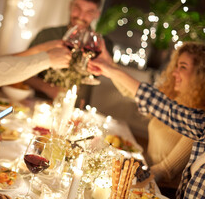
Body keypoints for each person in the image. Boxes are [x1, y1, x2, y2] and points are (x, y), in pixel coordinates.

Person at [87, 41, 205, 199]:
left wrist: (128, 182)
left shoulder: (197, 120)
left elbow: (165, 170)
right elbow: (133, 92)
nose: (174, 73)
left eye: (183, 67)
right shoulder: (174, 97)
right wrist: (109, 65)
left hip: (159, 188)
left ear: (201, 74)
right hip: (145, 172)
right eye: (176, 66)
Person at [25, 0, 113, 105]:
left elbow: (111, 73)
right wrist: (48, 88)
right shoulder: (47, 35)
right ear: (70, 6)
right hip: (39, 104)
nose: (81, 16)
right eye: (77, 8)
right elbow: (22, 70)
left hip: (77, 110)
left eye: (89, 12)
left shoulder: (102, 46)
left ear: (97, 14)